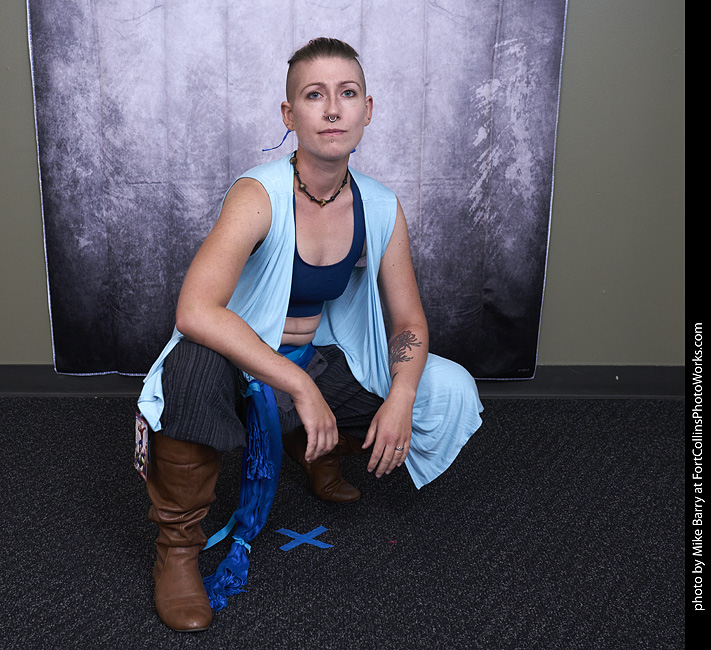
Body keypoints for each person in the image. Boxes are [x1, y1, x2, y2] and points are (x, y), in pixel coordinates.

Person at [137, 37, 483, 632]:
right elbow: (194, 310)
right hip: (237, 362)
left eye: (347, 94)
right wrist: (300, 387)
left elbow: (407, 323)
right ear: (288, 113)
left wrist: (401, 397)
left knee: (442, 386)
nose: (332, 109)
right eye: (314, 95)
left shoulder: (380, 205)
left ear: (367, 110)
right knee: (190, 367)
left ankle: (312, 447)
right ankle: (178, 551)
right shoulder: (258, 195)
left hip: (315, 356)